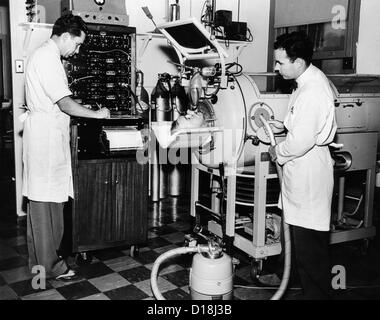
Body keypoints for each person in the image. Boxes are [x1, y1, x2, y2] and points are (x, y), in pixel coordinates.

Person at [22, 14, 110, 281]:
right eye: (78, 44)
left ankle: (41, 265)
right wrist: (97, 114)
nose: (78, 50)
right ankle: (51, 266)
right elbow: (65, 103)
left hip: (45, 137)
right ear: (65, 36)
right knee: (45, 207)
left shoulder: (45, 55)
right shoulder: (48, 58)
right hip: (44, 140)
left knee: (45, 205)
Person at [268, 32, 337, 299]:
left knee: (312, 254)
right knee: (298, 244)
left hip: (309, 173)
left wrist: (278, 151)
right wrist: (284, 124)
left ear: (298, 63)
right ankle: (296, 285)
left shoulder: (313, 89)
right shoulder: (304, 81)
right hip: (301, 171)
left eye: (280, 63)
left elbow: (300, 143)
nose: (276, 67)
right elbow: (302, 123)